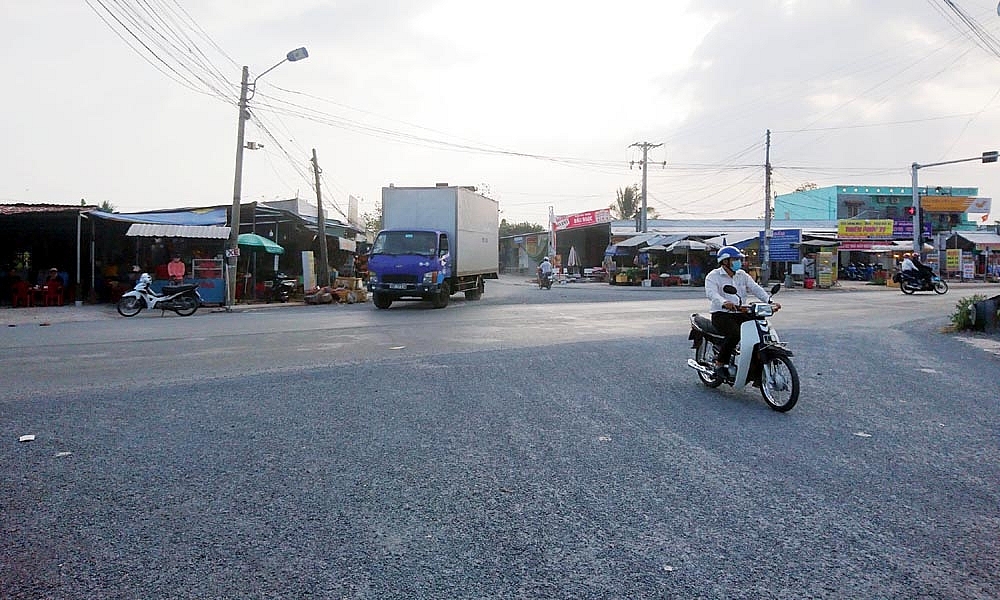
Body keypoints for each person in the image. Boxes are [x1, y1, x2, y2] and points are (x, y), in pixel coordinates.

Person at [705, 246, 780, 378]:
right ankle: (720, 363)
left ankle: (755, 365)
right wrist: (724, 302)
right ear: (725, 261)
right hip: (721, 314)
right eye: (735, 259)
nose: (738, 262)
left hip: (740, 312)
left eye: (738, 259)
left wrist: (769, 301)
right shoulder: (713, 276)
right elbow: (712, 294)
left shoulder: (742, 275)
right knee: (735, 334)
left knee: (760, 330)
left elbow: (755, 288)